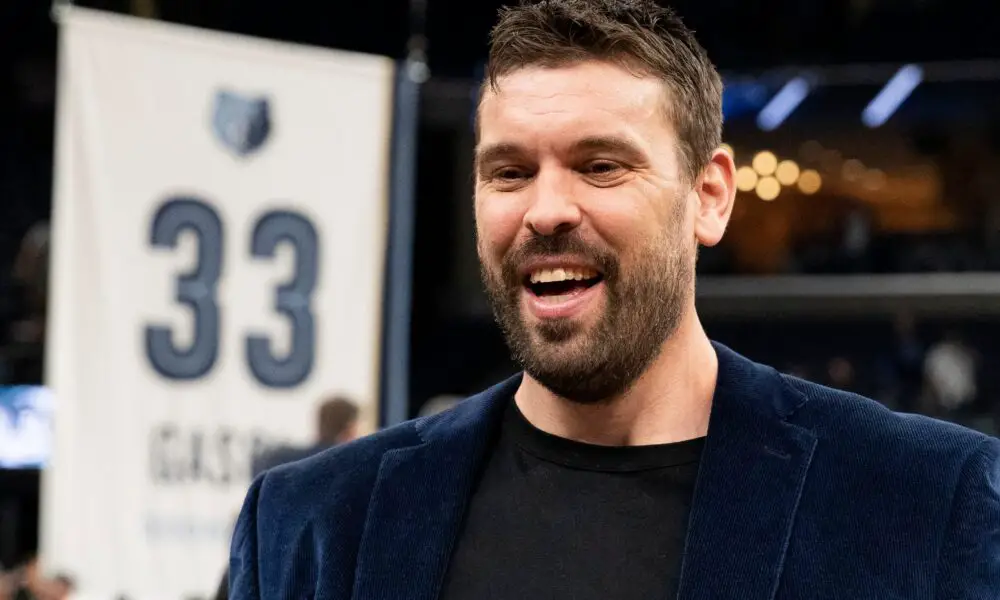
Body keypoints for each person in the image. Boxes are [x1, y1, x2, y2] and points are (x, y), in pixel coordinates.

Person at [228, 2, 1000, 598]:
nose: (546, 209)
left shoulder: (924, 502)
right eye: (508, 172)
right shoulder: (314, 526)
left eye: (600, 166)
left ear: (709, 196)